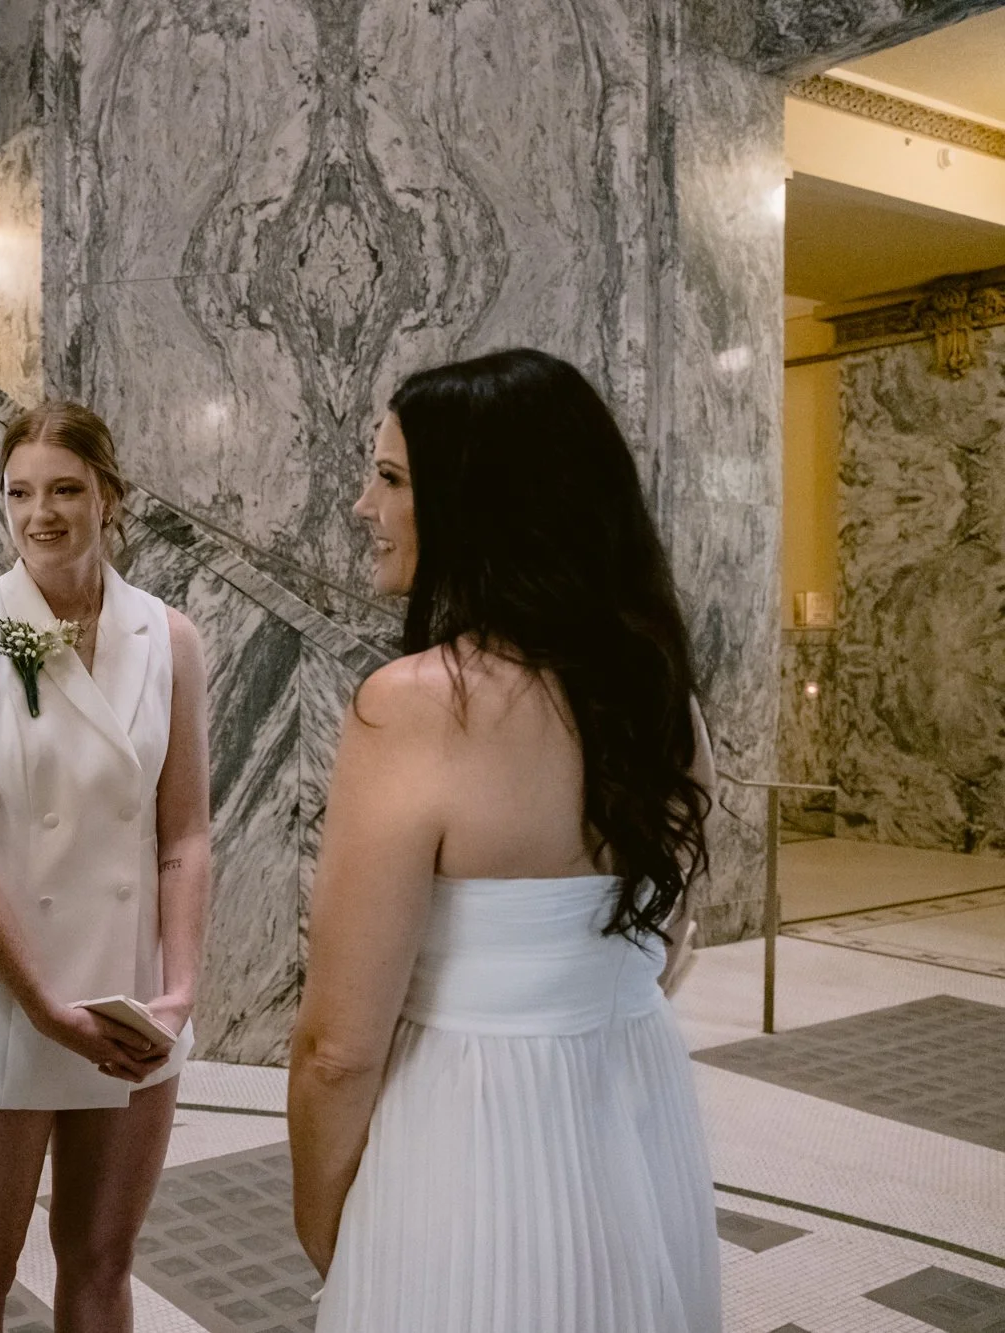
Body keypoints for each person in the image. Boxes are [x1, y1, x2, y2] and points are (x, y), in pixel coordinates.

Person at [288, 349, 721, 1332]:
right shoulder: (656, 696)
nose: (362, 504)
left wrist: (326, 1229)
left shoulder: (411, 707)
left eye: (391, 478)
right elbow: (663, 948)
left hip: (468, 1135)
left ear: (479, 504)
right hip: (633, 1122)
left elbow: (335, 1047)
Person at [0, 400, 214, 1332]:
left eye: (66, 489)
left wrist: (179, 990)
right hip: (5, 996)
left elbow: (185, 834)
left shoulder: (171, 638)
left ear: (110, 497)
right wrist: (43, 1004)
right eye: (20, 491)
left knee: (102, 1263)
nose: (42, 513)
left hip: (128, 1000)